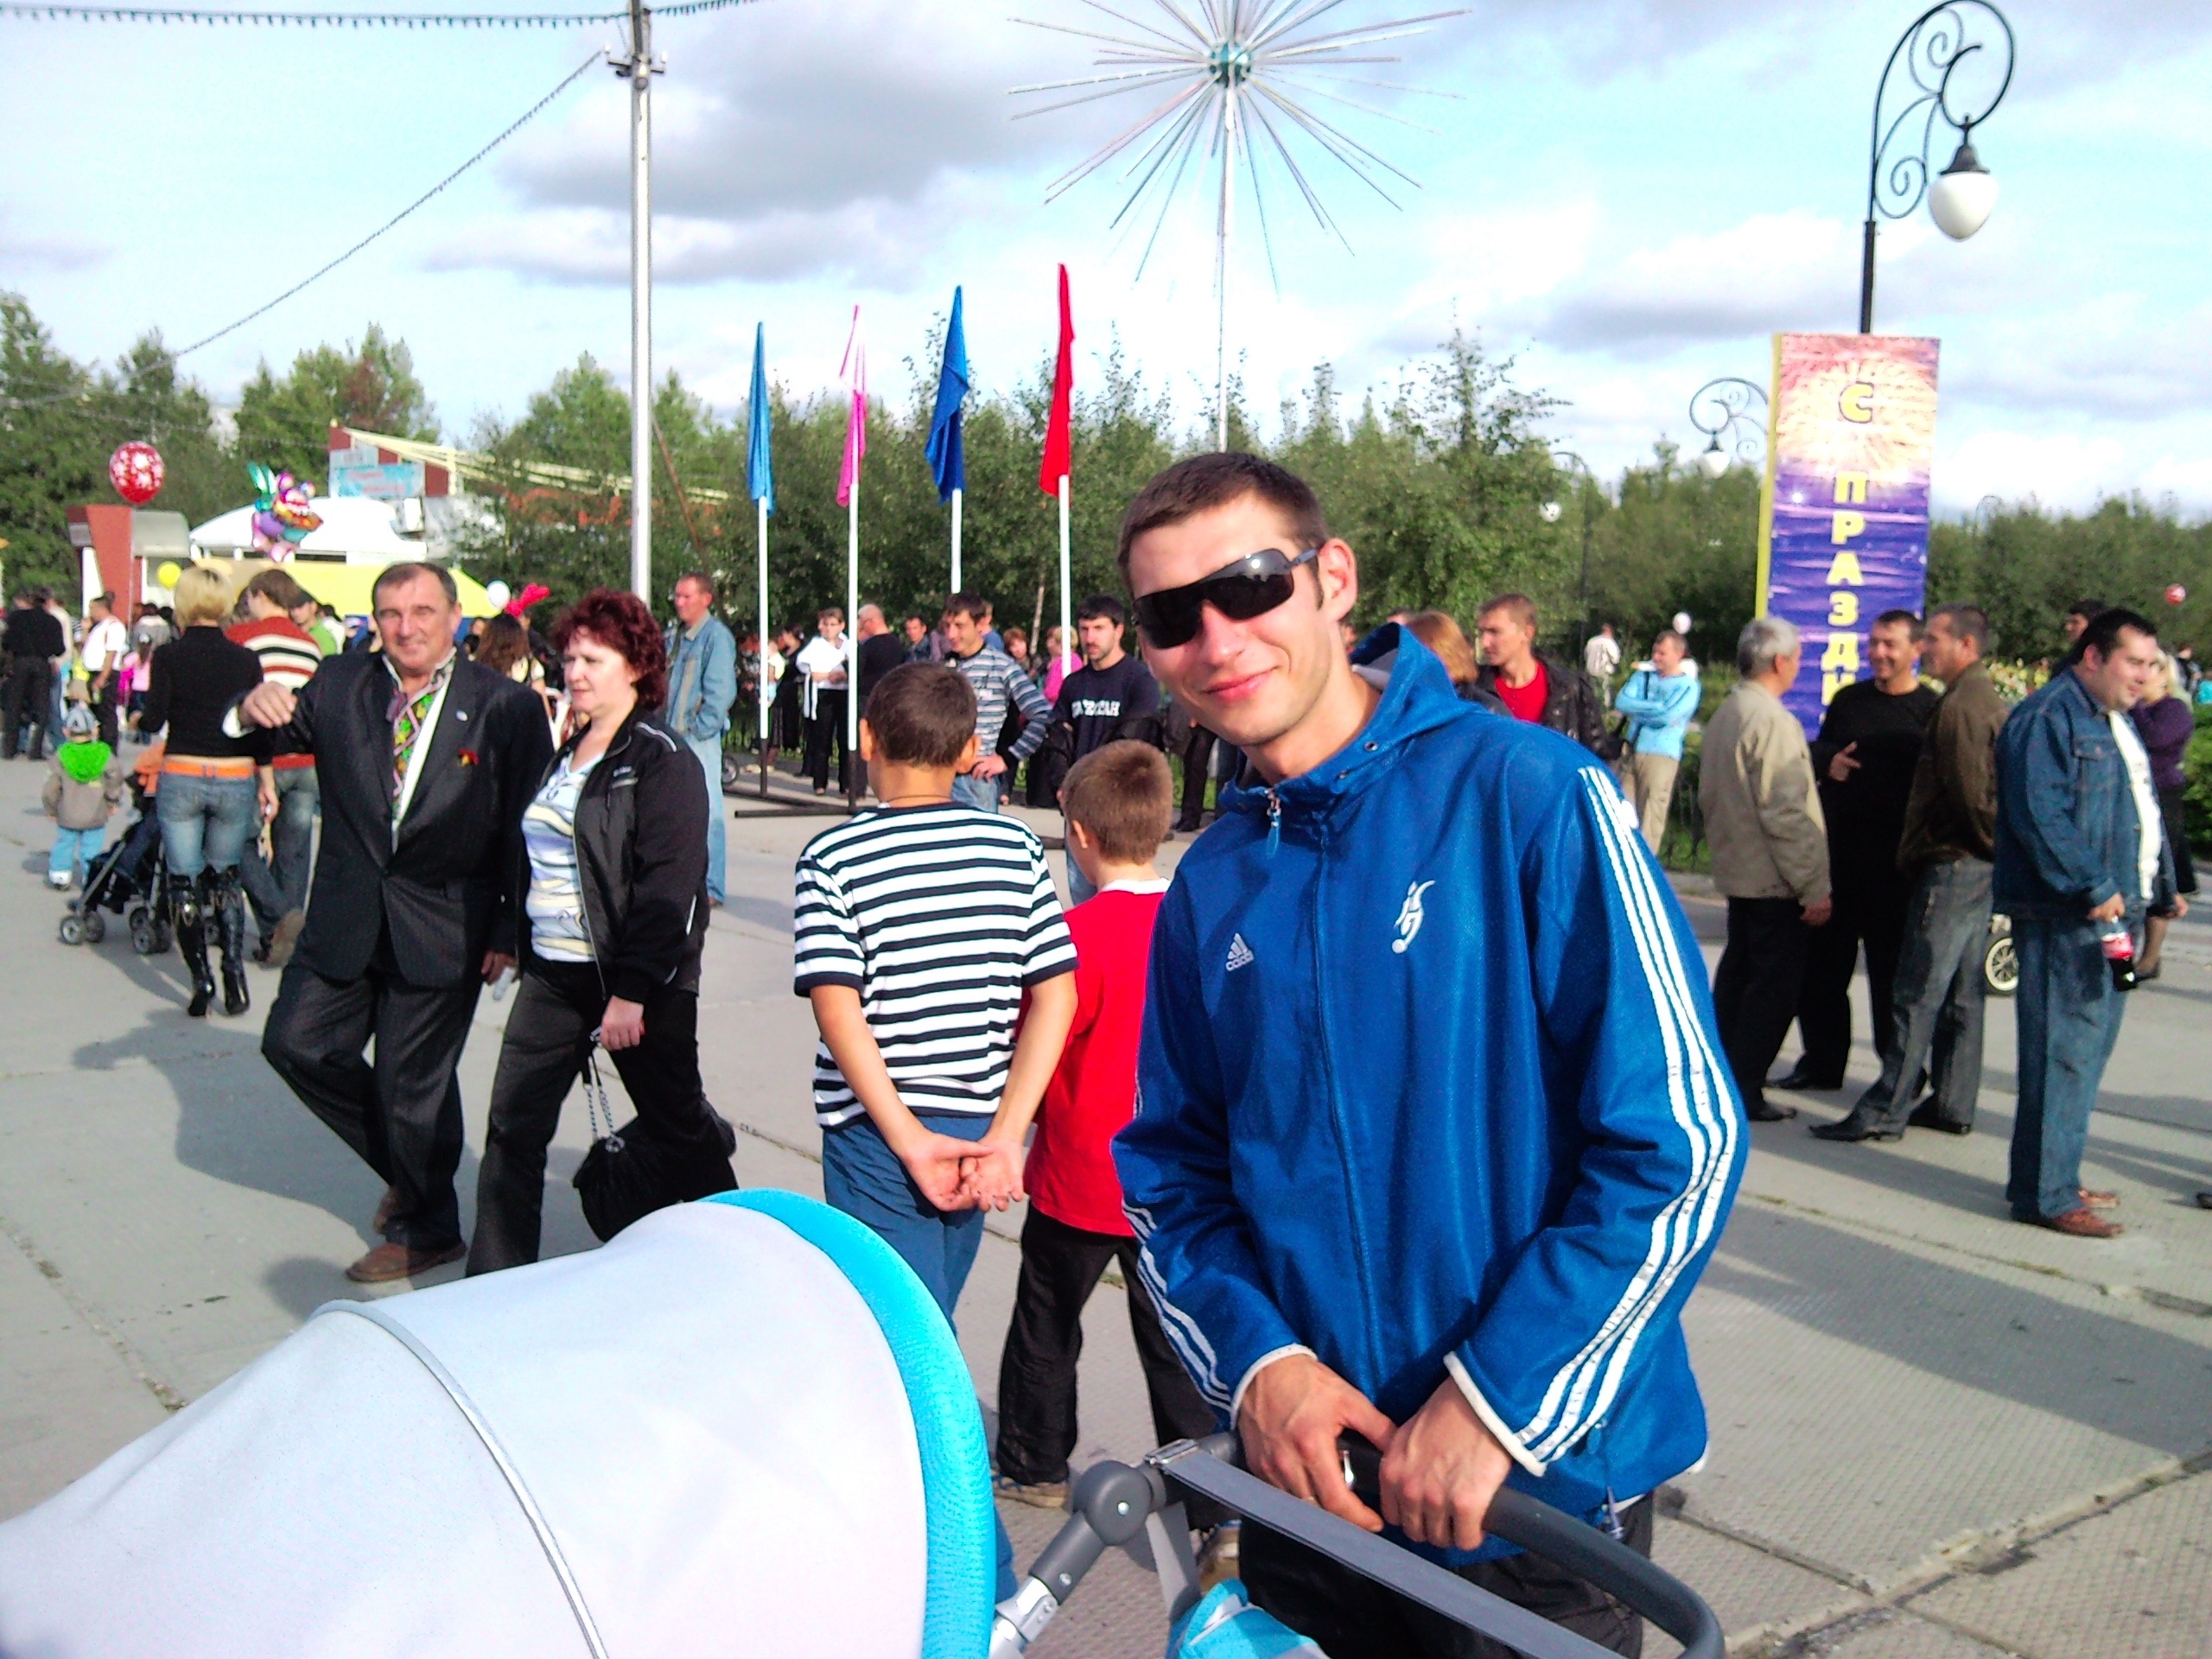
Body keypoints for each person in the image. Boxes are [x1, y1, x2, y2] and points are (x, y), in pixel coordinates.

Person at [1112, 454, 1742, 1659]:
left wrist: (1498, 1404)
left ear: (1333, 579)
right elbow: (1171, 1173)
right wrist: (1262, 1368)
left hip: (1530, 1509)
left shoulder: (1529, 794)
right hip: (1312, 1498)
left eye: (1249, 585)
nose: (1218, 639)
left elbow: (1680, 1143)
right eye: (1171, 615)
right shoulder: (1213, 881)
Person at [244, 562, 555, 1283]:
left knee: (410, 1085)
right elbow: (267, 735)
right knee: (295, 1044)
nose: (406, 628)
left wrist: (509, 931)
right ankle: (413, 1172)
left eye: (422, 612)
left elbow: (528, 824)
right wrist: (249, 705)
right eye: (390, 614)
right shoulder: (338, 682)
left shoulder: (505, 706)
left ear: (455, 619)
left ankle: (428, 1227)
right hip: (345, 914)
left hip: (447, 922)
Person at [469, 589, 735, 1274]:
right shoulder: (565, 753)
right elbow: (532, 858)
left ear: (637, 667)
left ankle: (740, 1256)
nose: (575, 672)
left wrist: (633, 990)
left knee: (678, 1126)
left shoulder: (661, 758)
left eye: (593, 660)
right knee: (512, 1130)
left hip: (636, 985)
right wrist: (510, 935)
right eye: (569, 659)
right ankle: (494, 1282)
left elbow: (670, 889)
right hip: (553, 976)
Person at [992, 741, 1220, 1518]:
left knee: (1046, 1327)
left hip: (1081, 1174)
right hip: (1175, 1184)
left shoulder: (1072, 936)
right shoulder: (1199, 927)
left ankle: (1035, 1463)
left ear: (1081, 837)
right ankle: (1211, 1501)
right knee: (1177, 1347)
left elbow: (1038, 1047)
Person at [1995, 608, 2179, 1240]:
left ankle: (2058, 1176)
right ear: (2094, 657)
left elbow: (2141, 809)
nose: (2144, 675)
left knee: (2090, 1049)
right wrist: (2092, 884)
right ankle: (2045, 1196)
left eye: (2152, 664)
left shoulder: (2113, 720)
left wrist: (2163, 888)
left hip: (2119, 919)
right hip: (2072, 919)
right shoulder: (2048, 717)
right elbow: (2038, 813)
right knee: (2062, 1053)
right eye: (2134, 662)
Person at [1815, 605, 2008, 1142]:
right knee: (1960, 993)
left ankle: (1886, 1106)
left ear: (1965, 646)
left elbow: (1972, 797)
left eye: (1933, 639)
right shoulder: (1961, 698)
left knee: (1915, 992)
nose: (1926, 648)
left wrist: (1989, 848)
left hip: (1947, 864)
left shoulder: (1955, 707)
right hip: (1903, 860)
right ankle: (1950, 1101)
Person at [1777, 611, 1940, 1092]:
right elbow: (1819, 750)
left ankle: (1898, 1074)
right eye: (1874, 643)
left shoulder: (1930, 710)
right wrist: (1829, 760)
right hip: (1841, 860)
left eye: (1890, 644)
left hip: (1896, 869)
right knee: (1823, 972)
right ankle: (1822, 1063)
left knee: (1892, 978)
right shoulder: (1850, 700)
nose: (1879, 653)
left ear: (1916, 650)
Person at [1701, 616, 1833, 1122]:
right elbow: (1787, 812)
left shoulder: (1728, 712)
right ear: (1780, 662)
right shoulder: (1771, 720)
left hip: (1740, 871)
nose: (1798, 666)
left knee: (1737, 978)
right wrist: (1813, 886)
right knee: (1770, 989)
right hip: (1773, 878)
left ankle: (1724, 1077)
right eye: (1797, 658)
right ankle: (1746, 1087)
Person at [139, 567, 268, 1020]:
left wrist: (140, 719)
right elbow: (257, 725)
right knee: (226, 878)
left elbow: (155, 718)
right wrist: (266, 780)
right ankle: (234, 972)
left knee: (183, 881)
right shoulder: (245, 659)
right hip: (234, 774)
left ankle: (201, 979)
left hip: (184, 770)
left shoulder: (169, 656)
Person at [227, 569, 323, 969]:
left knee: (237, 839)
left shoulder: (241, 638)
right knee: (294, 850)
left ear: (259, 595)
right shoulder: (310, 646)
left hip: (260, 755)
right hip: (306, 759)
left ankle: (278, 920)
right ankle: (287, 941)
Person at [1042, 594, 1161, 898]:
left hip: (1120, 806)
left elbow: (1134, 741)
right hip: (1079, 807)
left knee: (1124, 897)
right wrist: (1063, 784)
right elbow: (1058, 738)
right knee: (1083, 899)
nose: (1090, 638)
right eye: (1084, 629)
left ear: (1118, 630)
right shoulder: (1074, 683)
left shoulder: (1139, 681)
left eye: (1098, 628)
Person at [663, 572, 737, 904]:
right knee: (672, 812)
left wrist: (699, 729)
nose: (679, 603)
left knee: (708, 812)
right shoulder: (676, 636)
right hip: (671, 735)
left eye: (686, 597)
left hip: (697, 739)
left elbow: (720, 693)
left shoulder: (715, 637)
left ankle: (711, 886)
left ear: (706, 599)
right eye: (677, 596)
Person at [943, 592, 1050, 814]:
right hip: (937, 778)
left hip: (975, 781)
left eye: (960, 626)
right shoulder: (940, 667)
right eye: (947, 626)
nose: (951, 634)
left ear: (981, 624)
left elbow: (1043, 714)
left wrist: (1008, 758)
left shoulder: (1002, 667)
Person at [1471, 593, 1611, 753]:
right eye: (1482, 633)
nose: (1484, 643)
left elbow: (1598, 757)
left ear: (1527, 633)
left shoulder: (1569, 690)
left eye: (1494, 632)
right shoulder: (1473, 689)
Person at [2130, 652, 2196, 980]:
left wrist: (2136, 708)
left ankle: (2149, 958)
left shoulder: (2173, 709)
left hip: (2163, 795)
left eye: (2151, 668)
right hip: (2134, 795)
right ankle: (2128, 956)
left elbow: (2156, 739)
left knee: (2159, 876)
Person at [1611, 629, 1700, 853]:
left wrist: (1640, 709)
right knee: (1622, 811)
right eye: (1655, 652)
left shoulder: (1688, 686)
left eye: (1662, 654)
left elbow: (1668, 716)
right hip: (1631, 750)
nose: (1656, 658)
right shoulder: (1643, 676)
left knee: (1651, 814)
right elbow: (1622, 702)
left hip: (1661, 754)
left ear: (1678, 654)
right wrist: (1656, 708)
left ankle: (1646, 863)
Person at [43, 703, 124, 890]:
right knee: (92, 847)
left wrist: (51, 808)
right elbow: (115, 779)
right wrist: (112, 801)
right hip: (96, 812)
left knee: (64, 843)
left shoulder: (62, 755)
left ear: (66, 731)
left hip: (67, 812)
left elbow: (51, 787)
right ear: (94, 730)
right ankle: (91, 876)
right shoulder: (103, 754)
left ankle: (60, 875)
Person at [794, 608, 853, 796]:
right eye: (826, 624)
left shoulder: (848, 645)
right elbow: (807, 667)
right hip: (824, 693)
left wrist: (844, 675)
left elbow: (856, 667)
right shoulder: (816, 644)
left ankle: (846, 783)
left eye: (833, 624)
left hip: (845, 693)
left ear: (841, 626)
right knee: (822, 739)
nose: (829, 628)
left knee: (845, 739)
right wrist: (827, 675)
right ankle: (820, 782)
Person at [3, 591, 65, 761]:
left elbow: (6, 642)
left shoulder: (16, 618)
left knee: (14, 705)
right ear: (46, 603)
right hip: (41, 664)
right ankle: (35, 750)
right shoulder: (52, 621)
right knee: (42, 707)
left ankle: (10, 749)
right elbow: (59, 649)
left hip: (19, 662)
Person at [80, 594, 128, 749]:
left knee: (106, 710)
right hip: (92, 671)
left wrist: (103, 677)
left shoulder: (113, 626)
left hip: (105, 672)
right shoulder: (97, 627)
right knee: (96, 708)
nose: (90, 612)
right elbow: (84, 646)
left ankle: (109, 744)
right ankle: (102, 739)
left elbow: (111, 653)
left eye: (92, 609)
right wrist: (85, 629)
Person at [853, 602, 906, 719]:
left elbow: (856, 672)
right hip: (893, 696)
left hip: (869, 698)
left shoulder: (868, 646)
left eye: (862, 623)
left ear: (871, 621)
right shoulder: (899, 644)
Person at [1581, 621, 1621, 686]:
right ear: (1610, 632)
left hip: (1590, 674)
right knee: (1604, 691)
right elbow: (1615, 659)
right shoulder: (1609, 642)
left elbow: (1585, 656)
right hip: (1604, 674)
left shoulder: (1591, 641)